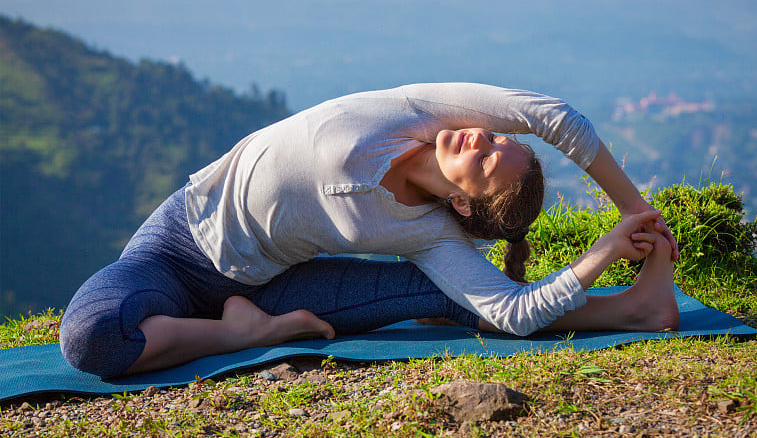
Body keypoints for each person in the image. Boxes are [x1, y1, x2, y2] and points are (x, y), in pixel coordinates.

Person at [59, 83, 680, 378]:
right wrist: (632, 212)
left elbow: (513, 313)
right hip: (175, 248)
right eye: (496, 139)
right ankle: (238, 335)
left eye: (487, 162)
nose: (480, 138)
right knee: (90, 339)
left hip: (276, 283)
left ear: (465, 207)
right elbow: (551, 115)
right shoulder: (414, 115)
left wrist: (601, 256)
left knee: (455, 300)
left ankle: (637, 310)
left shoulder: (432, 236)